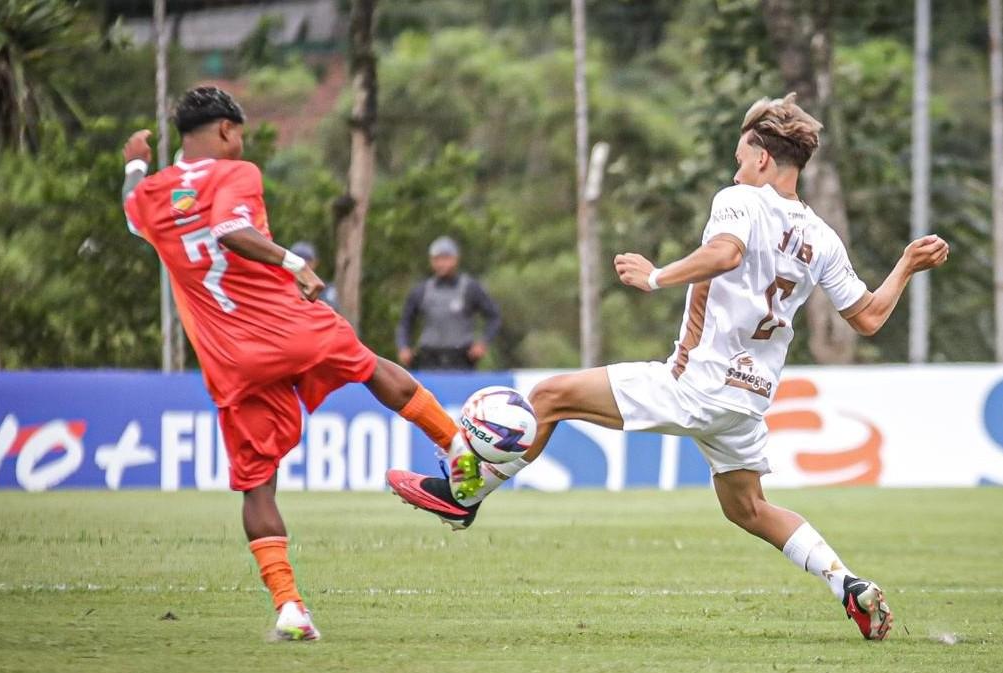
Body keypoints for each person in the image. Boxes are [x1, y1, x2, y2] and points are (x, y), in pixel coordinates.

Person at [387, 93, 950, 641]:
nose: (734, 172)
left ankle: (464, 496)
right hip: (748, 402)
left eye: (738, 160)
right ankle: (848, 584)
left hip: (695, 385)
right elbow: (870, 317)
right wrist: (904, 263)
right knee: (749, 509)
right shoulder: (821, 236)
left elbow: (726, 252)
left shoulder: (740, 201)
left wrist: (656, 277)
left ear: (761, 159)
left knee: (551, 396)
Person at [121, 86, 466, 641]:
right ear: (227, 131)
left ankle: (290, 608)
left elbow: (131, 208)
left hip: (228, 358)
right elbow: (230, 230)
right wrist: (293, 262)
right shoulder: (235, 173)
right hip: (285, 326)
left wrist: (136, 160)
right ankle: (458, 448)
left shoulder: (154, 194)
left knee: (258, 488)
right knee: (370, 367)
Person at [396, 236, 501, 370]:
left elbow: (494, 317)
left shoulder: (470, 288)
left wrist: (482, 343)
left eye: (446, 258)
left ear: (456, 259)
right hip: (428, 360)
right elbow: (405, 322)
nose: (441, 264)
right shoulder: (422, 290)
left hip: (461, 361)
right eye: (437, 259)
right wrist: (403, 347)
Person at [288, 240, 340, 310]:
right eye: (296, 260)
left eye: (307, 261)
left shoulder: (326, 290)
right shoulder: (281, 286)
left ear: (315, 263)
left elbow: (330, 312)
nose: (303, 266)